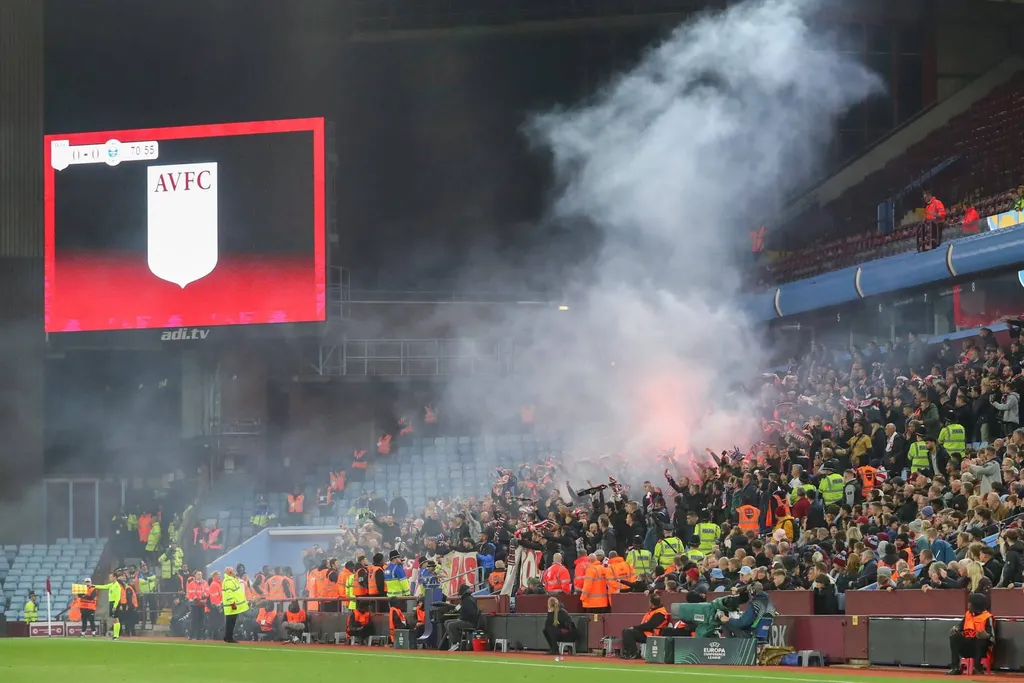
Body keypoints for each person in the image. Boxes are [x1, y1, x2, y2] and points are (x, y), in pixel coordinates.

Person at [947, 592, 994, 675]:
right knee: (954, 636)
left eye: (970, 603)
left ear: (976, 605)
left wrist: (986, 635)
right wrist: (956, 628)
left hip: (981, 649)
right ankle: (955, 667)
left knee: (980, 638)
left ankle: (978, 667)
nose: (968, 605)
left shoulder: (987, 617)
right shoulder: (968, 615)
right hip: (967, 647)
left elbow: (993, 638)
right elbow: (960, 626)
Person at [620, 593, 668, 659]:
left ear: (651, 603)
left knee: (629, 632)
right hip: (646, 632)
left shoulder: (660, 613)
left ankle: (635, 653)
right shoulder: (655, 610)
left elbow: (650, 625)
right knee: (625, 631)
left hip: (652, 634)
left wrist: (635, 627)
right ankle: (628, 652)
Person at [439, 584, 480, 652]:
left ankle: (457, 643)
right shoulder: (467, 599)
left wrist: (462, 616)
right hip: (466, 620)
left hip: (469, 622)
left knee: (451, 625)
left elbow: (471, 613)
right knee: (447, 622)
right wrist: (456, 611)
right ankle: (454, 642)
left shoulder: (467, 600)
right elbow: (459, 608)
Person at [94, 573, 127, 640]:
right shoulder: (112, 584)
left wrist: (115, 606)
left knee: (116, 619)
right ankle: (115, 635)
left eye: (111, 577)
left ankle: (116, 635)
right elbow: (103, 586)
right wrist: (93, 586)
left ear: (115, 577)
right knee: (114, 619)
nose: (110, 578)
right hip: (111, 602)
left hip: (115, 602)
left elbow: (118, 597)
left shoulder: (117, 586)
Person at [221, 566, 249, 643]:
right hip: (231, 605)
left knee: (230, 621)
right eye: (233, 571)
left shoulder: (231, 580)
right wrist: (233, 604)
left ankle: (227, 636)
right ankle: (229, 637)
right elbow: (229, 594)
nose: (234, 572)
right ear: (230, 573)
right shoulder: (229, 581)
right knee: (231, 622)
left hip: (232, 604)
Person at [186, 570, 209, 640]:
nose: (200, 575)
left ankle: (200, 635)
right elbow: (190, 593)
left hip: (202, 604)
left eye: (201, 574)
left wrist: (204, 596)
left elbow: (207, 591)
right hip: (194, 604)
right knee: (194, 620)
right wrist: (197, 599)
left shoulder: (205, 583)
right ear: (195, 575)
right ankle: (191, 635)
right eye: (198, 574)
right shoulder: (191, 584)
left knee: (201, 620)